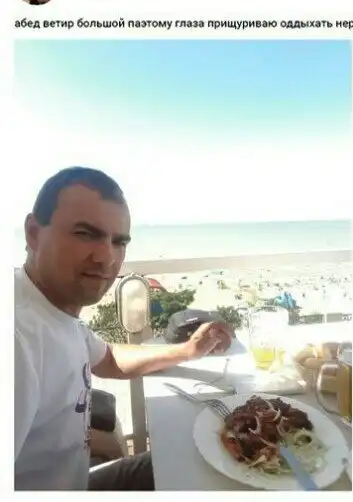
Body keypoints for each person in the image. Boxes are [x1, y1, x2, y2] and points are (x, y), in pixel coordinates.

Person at [15, 167, 233, 490]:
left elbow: (109, 359)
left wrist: (189, 350)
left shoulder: (53, 309)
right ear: (33, 233)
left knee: (190, 457)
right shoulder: (18, 339)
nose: (106, 257)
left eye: (119, 241)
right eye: (85, 234)